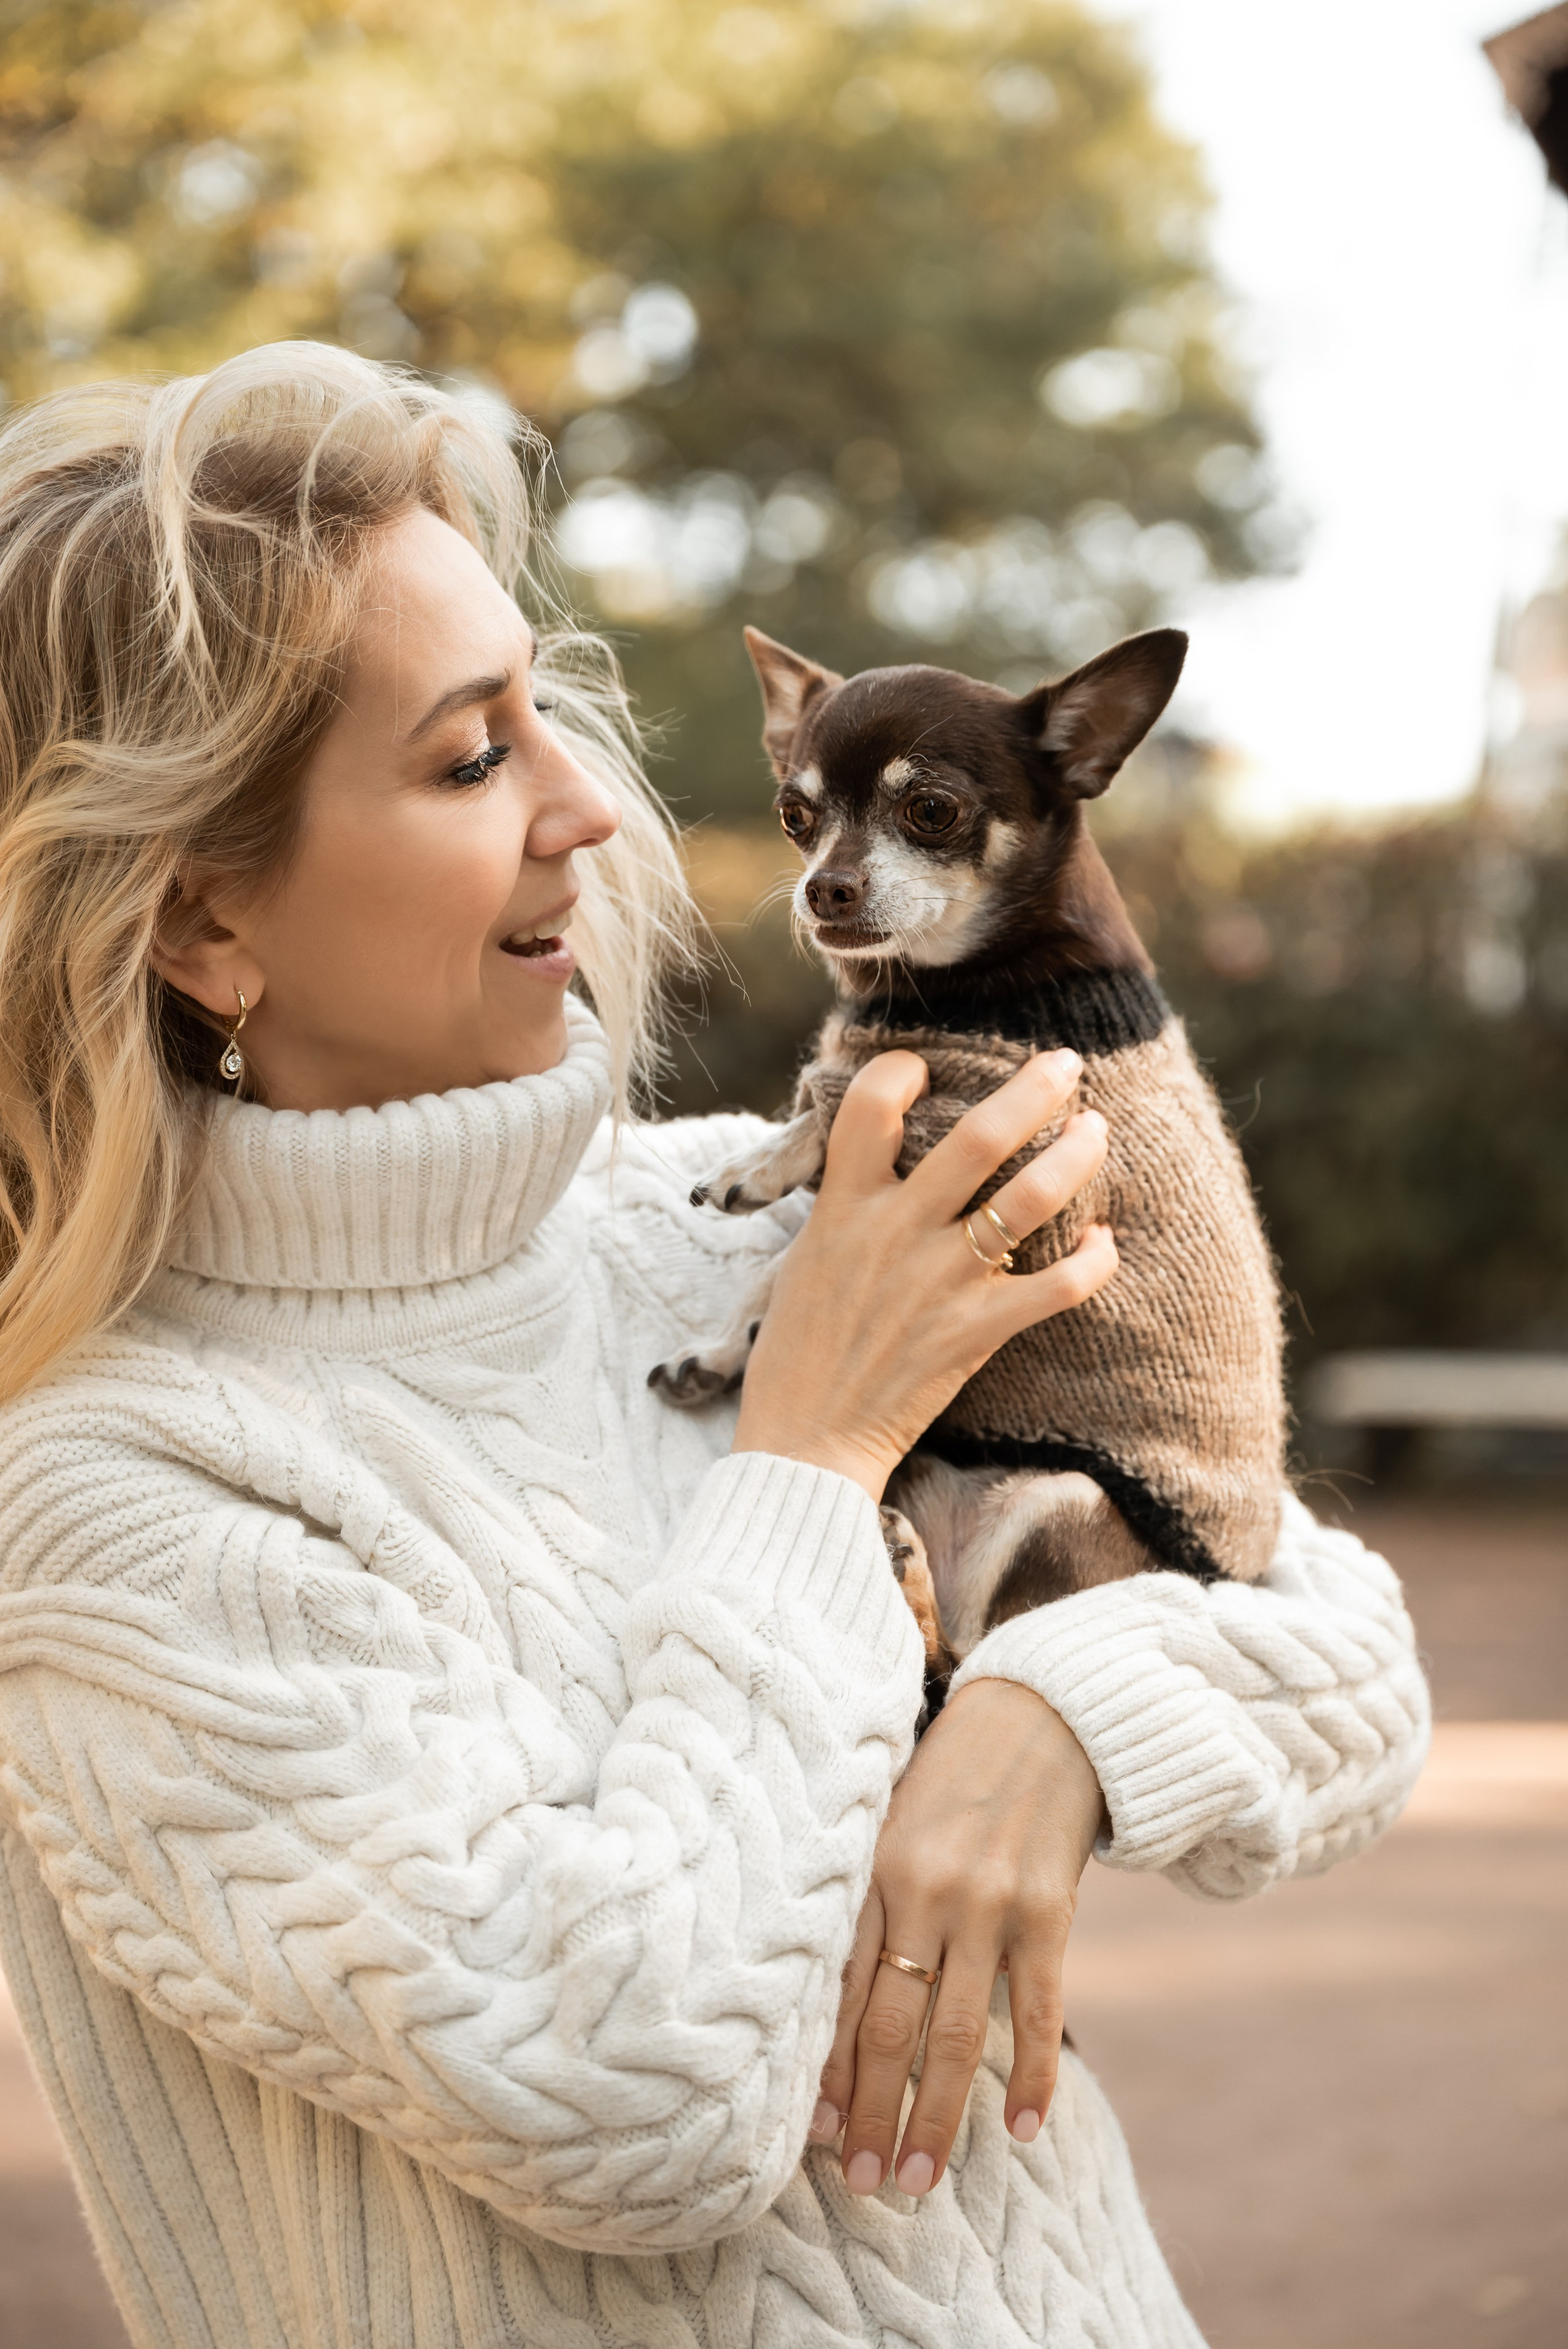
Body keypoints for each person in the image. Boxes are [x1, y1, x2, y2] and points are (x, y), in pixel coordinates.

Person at [0, 344, 1428, 2349]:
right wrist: (811, 1462)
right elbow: (637, 2092)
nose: (592, 801)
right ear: (204, 923)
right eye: (471, 754)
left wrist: (1057, 1724)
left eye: (542, 714)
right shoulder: (117, 1510)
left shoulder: (716, 1216)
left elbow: (1342, 1638)